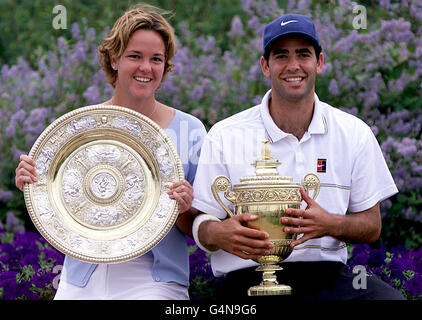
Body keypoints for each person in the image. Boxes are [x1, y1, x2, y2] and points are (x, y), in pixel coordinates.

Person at [191, 14, 404, 300]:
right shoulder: (225, 134)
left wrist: (330, 224)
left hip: (328, 278)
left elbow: (371, 226)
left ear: (319, 62)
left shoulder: (354, 132)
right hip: (247, 280)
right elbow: (202, 222)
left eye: (303, 54)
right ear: (266, 66)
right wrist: (217, 234)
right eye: (281, 56)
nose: (293, 66)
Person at [15, 4, 206, 300]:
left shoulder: (191, 131)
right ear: (114, 59)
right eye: (135, 56)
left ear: (165, 66)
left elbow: (202, 223)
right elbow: (54, 204)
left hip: (154, 282)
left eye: (156, 59)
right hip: (79, 278)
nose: (146, 67)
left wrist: (185, 208)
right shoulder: (79, 127)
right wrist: (32, 180)